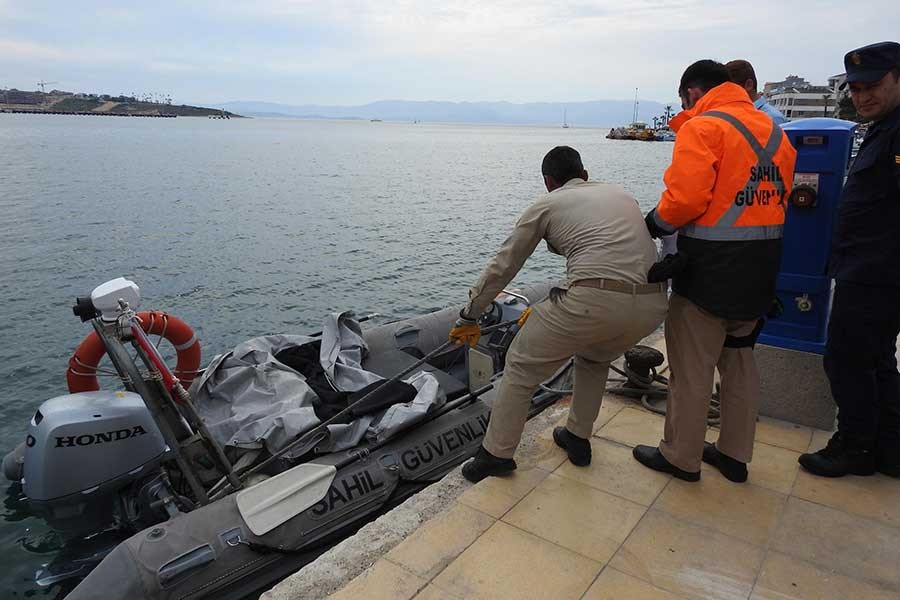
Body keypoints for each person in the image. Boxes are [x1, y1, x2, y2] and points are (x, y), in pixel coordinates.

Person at [450, 146, 668, 483]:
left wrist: (470, 314)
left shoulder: (547, 204)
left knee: (521, 366)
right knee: (594, 359)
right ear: (584, 174)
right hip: (652, 305)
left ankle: (496, 454)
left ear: (549, 181)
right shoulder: (621, 194)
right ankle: (578, 438)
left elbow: (504, 265)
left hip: (594, 299)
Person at [633, 60, 796, 483]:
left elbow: (685, 201)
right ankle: (735, 455)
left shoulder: (702, 128)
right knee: (740, 363)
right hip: (761, 269)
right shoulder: (776, 133)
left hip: (708, 272)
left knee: (692, 368)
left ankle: (681, 457)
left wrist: (652, 225)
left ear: (691, 92)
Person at [799, 41, 900, 478]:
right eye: (855, 89)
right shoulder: (883, 128)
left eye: (872, 85)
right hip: (867, 268)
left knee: (846, 358)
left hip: (877, 271)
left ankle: (855, 446)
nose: (862, 97)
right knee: (877, 359)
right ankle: (890, 447)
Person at [726, 59, 788, 125]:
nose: (724, 95)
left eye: (729, 89)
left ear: (749, 85)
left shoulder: (773, 119)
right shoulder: (733, 114)